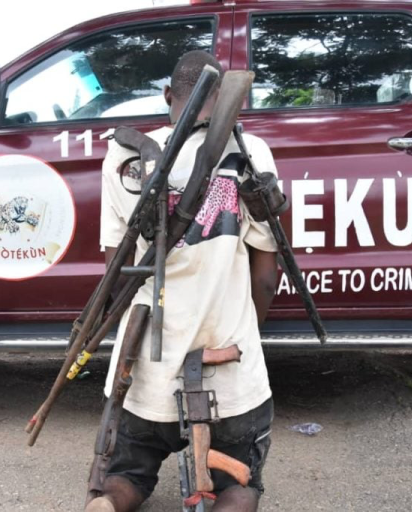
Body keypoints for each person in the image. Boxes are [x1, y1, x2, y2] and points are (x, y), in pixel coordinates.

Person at [88, 50, 279, 512]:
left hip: (145, 373)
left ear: (168, 95)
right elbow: (266, 277)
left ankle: (105, 506)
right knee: (238, 486)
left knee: (124, 479)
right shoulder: (251, 152)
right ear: (224, 96)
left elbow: (116, 270)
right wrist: (249, 333)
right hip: (231, 371)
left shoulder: (124, 156)